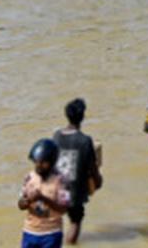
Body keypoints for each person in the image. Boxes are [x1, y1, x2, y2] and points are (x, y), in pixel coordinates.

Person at [53, 101, 102, 246]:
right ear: (82, 117)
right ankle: (70, 244)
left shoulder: (56, 136)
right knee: (75, 220)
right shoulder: (85, 141)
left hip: (57, 186)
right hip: (75, 190)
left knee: (57, 219)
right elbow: (92, 167)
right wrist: (98, 181)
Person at [19, 139, 72, 248]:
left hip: (51, 233)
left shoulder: (62, 181)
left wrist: (43, 198)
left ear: (52, 162)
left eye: (43, 162)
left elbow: (63, 209)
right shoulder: (29, 178)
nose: (39, 165)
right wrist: (27, 201)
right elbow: (20, 204)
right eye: (37, 161)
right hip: (30, 232)